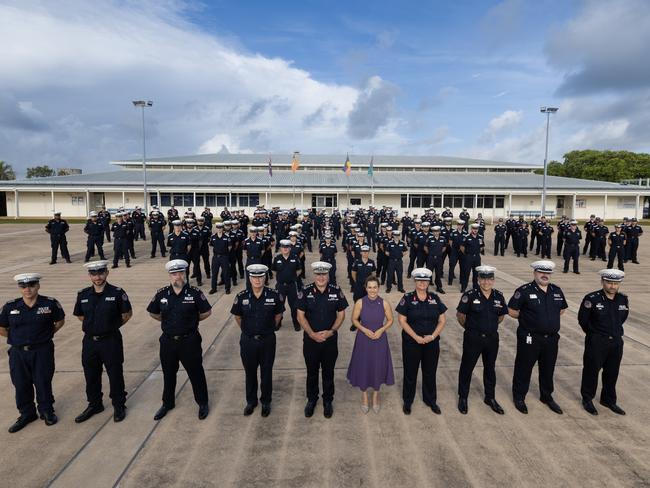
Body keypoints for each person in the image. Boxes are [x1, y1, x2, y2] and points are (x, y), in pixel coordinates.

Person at [146, 260, 212, 421]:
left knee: (196, 372)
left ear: (186, 274)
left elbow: (206, 312)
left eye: (181, 273)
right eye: (174, 274)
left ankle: (202, 403)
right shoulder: (162, 294)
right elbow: (153, 313)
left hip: (189, 341)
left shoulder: (195, 293)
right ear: (170, 276)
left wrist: (191, 323)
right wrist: (167, 323)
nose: (178, 277)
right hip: (168, 342)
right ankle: (167, 403)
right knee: (169, 373)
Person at [0, 273, 65, 433]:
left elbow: (59, 321)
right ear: (19, 288)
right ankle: (27, 414)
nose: (27, 289)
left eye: (31, 285)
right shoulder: (10, 307)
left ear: (38, 286)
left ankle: (46, 410)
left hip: (42, 351)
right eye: (23, 286)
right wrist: (17, 339)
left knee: (43, 381)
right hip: (18, 353)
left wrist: (44, 336)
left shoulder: (49, 304)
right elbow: (2, 327)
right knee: (21, 383)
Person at [73, 260, 132, 423]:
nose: (97, 277)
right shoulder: (83, 294)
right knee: (90, 374)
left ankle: (119, 405)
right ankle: (94, 404)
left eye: (100, 273)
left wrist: (109, 327)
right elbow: (80, 315)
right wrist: (95, 327)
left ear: (106, 273)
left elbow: (126, 314)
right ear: (90, 276)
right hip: (90, 342)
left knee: (115, 373)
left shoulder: (117, 292)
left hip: (110, 340)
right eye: (94, 274)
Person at [508, 261, 567, 415]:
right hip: (530, 338)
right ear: (535, 273)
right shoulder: (524, 291)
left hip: (551, 339)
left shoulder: (556, 291)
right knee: (524, 368)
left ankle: (546, 396)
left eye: (548, 273)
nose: (545, 275)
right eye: (541, 272)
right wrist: (527, 318)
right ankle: (519, 397)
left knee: (548, 369)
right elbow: (512, 310)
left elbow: (561, 310)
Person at [230, 264, 284, 417]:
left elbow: (278, 315)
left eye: (260, 276)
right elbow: (238, 317)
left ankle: (266, 401)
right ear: (250, 278)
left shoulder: (274, 296)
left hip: (267, 340)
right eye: (254, 277)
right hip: (248, 341)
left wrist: (268, 329)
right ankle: (251, 401)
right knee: (250, 372)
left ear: (265, 277)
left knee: (266, 372)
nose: (257, 280)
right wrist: (248, 331)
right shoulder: (241, 297)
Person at [297, 262, 349, 419]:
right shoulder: (305, 292)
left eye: (324, 274)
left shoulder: (336, 291)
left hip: (329, 341)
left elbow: (341, 314)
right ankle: (311, 400)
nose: (321, 277)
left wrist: (330, 332)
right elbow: (300, 315)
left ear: (328, 275)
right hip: (311, 341)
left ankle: (328, 401)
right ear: (314, 275)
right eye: (318, 274)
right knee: (311, 373)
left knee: (328, 373)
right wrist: (312, 334)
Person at [456, 265, 507, 415]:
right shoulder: (470, 295)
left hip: (492, 339)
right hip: (473, 337)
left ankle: (490, 397)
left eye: (489, 279)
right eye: (483, 279)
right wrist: (472, 329)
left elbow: (501, 316)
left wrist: (489, 327)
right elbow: (461, 316)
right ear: (478, 280)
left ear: (493, 280)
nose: (486, 282)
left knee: (490, 368)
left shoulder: (499, 295)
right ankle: (463, 397)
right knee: (467, 368)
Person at [395, 268, 447, 415]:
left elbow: (442, 320)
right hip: (412, 342)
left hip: (431, 342)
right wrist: (416, 337)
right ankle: (408, 401)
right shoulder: (408, 298)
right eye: (419, 280)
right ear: (415, 281)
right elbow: (402, 320)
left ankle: (430, 400)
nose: (422, 283)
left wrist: (432, 336)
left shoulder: (435, 298)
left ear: (429, 282)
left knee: (430, 372)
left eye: (425, 280)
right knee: (410, 372)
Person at [578, 269, 629, 416]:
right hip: (597, 341)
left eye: (616, 283)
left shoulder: (622, 299)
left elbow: (623, 318)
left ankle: (608, 400)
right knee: (591, 371)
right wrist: (595, 334)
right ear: (602, 282)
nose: (612, 286)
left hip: (616, 342)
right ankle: (587, 399)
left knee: (612, 372)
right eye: (609, 282)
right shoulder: (592, 299)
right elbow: (583, 320)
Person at [347, 275, 394, 413]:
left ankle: (375, 396)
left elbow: (390, 320)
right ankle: (364, 397)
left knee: (378, 366)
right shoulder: (360, 302)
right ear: (365, 288)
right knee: (364, 365)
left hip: (379, 339)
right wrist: (364, 329)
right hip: (364, 339)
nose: (372, 290)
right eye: (370, 287)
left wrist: (381, 330)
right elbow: (354, 319)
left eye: (375, 287)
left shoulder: (384, 303)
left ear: (378, 288)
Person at [272, 240, 302, 331]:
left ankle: (296, 323)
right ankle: (278, 323)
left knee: (294, 306)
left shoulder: (295, 257)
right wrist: (280, 278)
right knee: (279, 306)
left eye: (287, 247)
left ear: (290, 248)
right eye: (283, 247)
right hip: (280, 286)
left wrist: (292, 277)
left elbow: (299, 269)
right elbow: (274, 271)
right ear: (281, 248)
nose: (285, 249)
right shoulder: (277, 258)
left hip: (292, 286)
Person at [459, 223, 484, 292]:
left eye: (476, 229)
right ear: (471, 229)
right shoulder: (466, 237)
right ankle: (464, 287)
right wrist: (467, 254)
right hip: (468, 257)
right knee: (466, 273)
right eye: (474, 229)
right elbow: (462, 247)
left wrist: (477, 252)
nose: (475, 230)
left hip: (477, 258)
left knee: (476, 273)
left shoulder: (480, 237)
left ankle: (475, 287)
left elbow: (482, 247)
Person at [208, 222, 232, 295]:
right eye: (218, 228)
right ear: (216, 228)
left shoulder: (227, 237)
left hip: (224, 257)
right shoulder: (213, 237)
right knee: (214, 273)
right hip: (215, 257)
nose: (219, 229)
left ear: (222, 228)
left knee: (226, 273)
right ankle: (213, 288)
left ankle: (227, 288)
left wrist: (224, 253)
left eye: (221, 228)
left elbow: (230, 247)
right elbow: (211, 245)